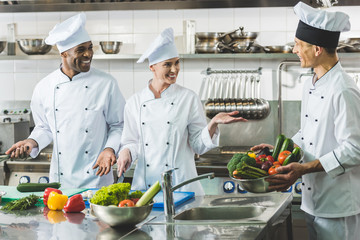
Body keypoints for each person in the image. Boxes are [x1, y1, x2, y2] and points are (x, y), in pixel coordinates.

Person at [252, 2, 360, 240]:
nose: (294, 50)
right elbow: (310, 132)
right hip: (313, 203)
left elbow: (355, 150)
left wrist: (304, 168)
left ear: (318, 49)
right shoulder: (312, 82)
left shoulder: (343, 90)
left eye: (299, 45)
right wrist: (283, 149)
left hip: (337, 206)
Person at [116, 28, 247, 196]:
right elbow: (131, 141)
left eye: (177, 62)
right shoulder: (134, 102)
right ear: (152, 67)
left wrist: (213, 123)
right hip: (144, 189)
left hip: (181, 186)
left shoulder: (188, 98)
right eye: (167, 64)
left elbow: (198, 145)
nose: (174, 69)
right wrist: (126, 151)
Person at [5, 13, 125, 188]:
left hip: (97, 179)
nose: (88, 54)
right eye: (81, 50)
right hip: (61, 182)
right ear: (63, 53)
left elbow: (119, 125)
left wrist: (109, 149)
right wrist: (32, 142)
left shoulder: (106, 84)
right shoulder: (44, 87)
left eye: (90, 47)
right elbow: (45, 128)